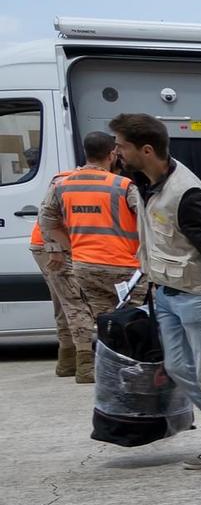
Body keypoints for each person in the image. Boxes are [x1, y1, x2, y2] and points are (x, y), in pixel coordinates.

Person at [111, 112, 201, 470]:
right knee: (178, 367)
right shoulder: (144, 180)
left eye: (121, 146)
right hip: (166, 292)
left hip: (199, 296)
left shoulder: (188, 196)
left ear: (146, 150)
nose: (116, 152)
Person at [39, 134, 142, 386]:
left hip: (85, 266)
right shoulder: (122, 185)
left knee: (103, 320)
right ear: (111, 155)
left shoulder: (62, 185)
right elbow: (147, 220)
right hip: (125, 267)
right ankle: (137, 369)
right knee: (137, 319)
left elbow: (46, 221)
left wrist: (69, 246)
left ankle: (110, 370)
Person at [28, 218, 80, 379]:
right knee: (70, 301)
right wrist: (54, 248)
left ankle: (70, 360)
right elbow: (48, 216)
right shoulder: (61, 192)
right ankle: (74, 360)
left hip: (64, 242)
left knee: (67, 301)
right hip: (54, 244)